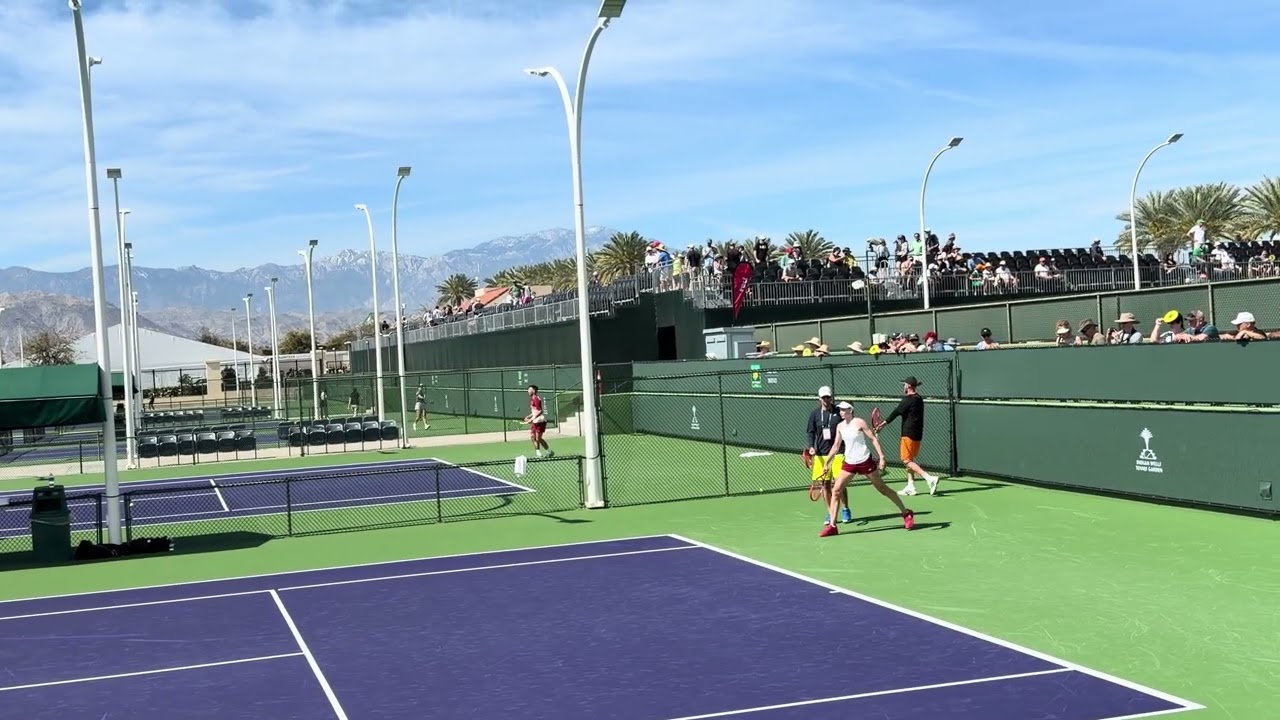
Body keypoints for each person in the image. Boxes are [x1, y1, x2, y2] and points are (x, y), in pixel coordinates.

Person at [822, 401, 914, 537]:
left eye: (844, 409)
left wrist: (881, 457)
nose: (841, 412)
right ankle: (833, 526)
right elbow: (836, 446)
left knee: (882, 488)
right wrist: (826, 463)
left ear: (850, 410)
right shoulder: (840, 426)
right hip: (849, 462)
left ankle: (906, 513)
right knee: (836, 490)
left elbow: (873, 440)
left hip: (865, 460)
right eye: (840, 409)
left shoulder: (860, 422)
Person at [875, 376, 941, 496]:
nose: (903, 386)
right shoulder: (919, 399)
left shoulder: (908, 400)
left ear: (909, 386)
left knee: (906, 460)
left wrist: (882, 424)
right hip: (917, 434)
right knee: (910, 460)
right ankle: (911, 487)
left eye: (904, 384)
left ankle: (929, 478)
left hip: (908, 434)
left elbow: (896, 412)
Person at [807, 386, 851, 524]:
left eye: (828, 397)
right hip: (821, 455)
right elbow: (810, 432)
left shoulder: (839, 412)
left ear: (831, 398)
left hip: (838, 453)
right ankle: (830, 512)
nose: (826, 400)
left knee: (839, 483)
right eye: (823, 397)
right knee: (825, 485)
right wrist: (811, 447)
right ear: (819, 399)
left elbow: (849, 423)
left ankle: (845, 509)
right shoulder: (814, 415)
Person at [522, 384, 553, 458]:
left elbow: (540, 411)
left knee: (538, 439)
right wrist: (529, 416)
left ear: (533, 390)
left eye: (529, 389)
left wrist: (531, 419)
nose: (528, 391)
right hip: (534, 421)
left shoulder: (536, 398)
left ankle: (549, 451)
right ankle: (538, 453)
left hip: (540, 421)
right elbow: (535, 411)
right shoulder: (532, 399)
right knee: (533, 437)